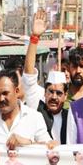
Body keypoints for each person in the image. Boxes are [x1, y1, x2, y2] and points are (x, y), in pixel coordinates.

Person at [22, 10, 69, 143]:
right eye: (50, 92)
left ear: (65, 96)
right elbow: (29, 75)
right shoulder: (36, 106)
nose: (54, 97)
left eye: (59, 93)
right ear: (44, 93)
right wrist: (35, 37)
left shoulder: (71, 118)